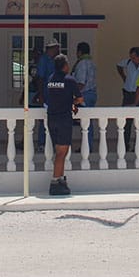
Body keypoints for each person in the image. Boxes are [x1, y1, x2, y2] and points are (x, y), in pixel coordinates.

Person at [46, 55, 82, 196]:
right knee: (62, 153)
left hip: (52, 118)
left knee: (59, 151)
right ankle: (55, 181)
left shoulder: (50, 80)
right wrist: (73, 103)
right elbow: (79, 98)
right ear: (65, 65)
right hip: (63, 119)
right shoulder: (69, 80)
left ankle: (60, 178)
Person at [116, 46, 139, 148]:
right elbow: (119, 65)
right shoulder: (129, 62)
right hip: (128, 93)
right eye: (131, 57)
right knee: (126, 120)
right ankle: (125, 144)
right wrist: (123, 77)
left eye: (134, 58)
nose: (132, 60)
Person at [71, 41, 97, 151]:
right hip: (92, 93)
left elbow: (81, 83)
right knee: (87, 121)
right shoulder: (91, 63)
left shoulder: (82, 64)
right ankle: (88, 145)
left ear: (79, 52)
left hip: (84, 94)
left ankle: (87, 146)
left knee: (84, 121)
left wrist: (74, 95)